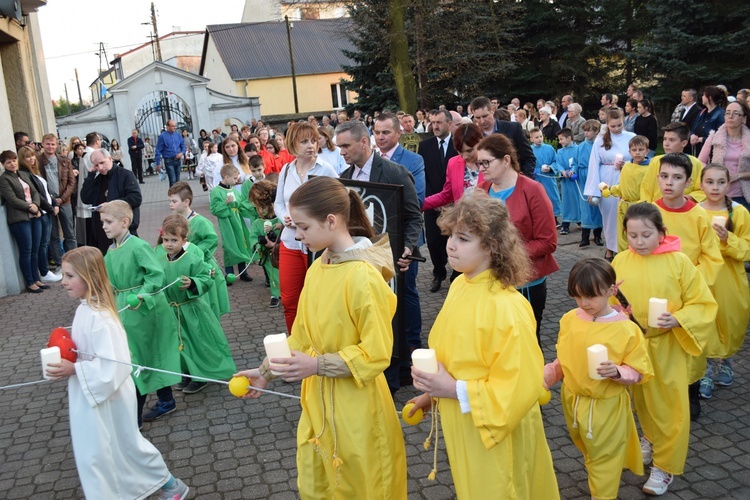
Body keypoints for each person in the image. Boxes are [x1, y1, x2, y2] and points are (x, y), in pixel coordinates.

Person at [236, 176, 407, 498]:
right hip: (318, 404)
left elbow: (376, 352)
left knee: (362, 486)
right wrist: (265, 372)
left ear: (331, 221)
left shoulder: (363, 277)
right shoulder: (319, 266)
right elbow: (301, 334)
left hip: (357, 408)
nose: (297, 235)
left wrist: (316, 366)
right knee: (318, 482)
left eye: (303, 227)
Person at [408, 192, 559, 499]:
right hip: (468, 422)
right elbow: (458, 353)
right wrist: (432, 394)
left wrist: (451, 390)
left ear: (492, 246)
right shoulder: (462, 284)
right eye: (451, 235)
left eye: (463, 238)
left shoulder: (507, 308)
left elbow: (517, 387)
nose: (451, 244)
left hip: (498, 434)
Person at [45, 247, 189, 499]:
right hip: (92, 391)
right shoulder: (84, 309)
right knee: (104, 450)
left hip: (107, 395)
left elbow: (118, 364)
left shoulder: (101, 318)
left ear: (88, 277)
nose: (63, 282)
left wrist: (75, 368)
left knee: (121, 446)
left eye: (69, 276)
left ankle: (168, 485)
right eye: (63, 276)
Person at [612, 203, 716, 496]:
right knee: (642, 401)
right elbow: (610, 300)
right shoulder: (620, 260)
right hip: (635, 346)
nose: (639, 242)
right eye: (633, 235)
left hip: (667, 345)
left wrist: (679, 319)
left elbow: (702, 303)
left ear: (662, 233)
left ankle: (666, 467)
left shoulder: (680, 262)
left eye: (646, 235)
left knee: (671, 408)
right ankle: (650, 438)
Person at [544, 257, 653, 500]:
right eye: (577, 296)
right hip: (572, 401)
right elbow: (565, 359)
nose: (583, 303)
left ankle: (602, 495)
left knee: (604, 457)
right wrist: (546, 377)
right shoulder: (570, 319)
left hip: (606, 406)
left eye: (590, 296)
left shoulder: (626, 330)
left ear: (611, 291)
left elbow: (638, 370)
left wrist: (617, 372)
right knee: (590, 450)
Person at [97, 201, 182, 422]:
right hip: (124, 307)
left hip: (143, 308)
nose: (104, 227)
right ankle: (166, 401)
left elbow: (155, 275)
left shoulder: (137, 246)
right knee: (139, 357)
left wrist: (142, 294)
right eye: (102, 222)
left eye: (108, 222)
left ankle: (135, 418)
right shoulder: (111, 249)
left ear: (125, 222)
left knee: (141, 357)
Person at [475, 134, 559, 344]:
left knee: (526, 340)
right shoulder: (482, 191)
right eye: (479, 163)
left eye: (486, 162)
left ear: (506, 160)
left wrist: (505, 254)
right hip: (491, 280)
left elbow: (548, 241)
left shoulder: (532, 190)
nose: (481, 168)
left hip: (526, 282)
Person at [158, 214, 237, 393]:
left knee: (197, 343)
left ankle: (201, 375)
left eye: (174, 240)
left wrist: (193, 283)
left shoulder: (192, 259)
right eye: (165, 240)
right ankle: (187, 373)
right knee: (180, 343)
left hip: (191, 309)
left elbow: (206, 278)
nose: (169, 244)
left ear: (184, 240)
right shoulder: (161, 260)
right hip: (173, 311)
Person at [274, 122, 338, 332]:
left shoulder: (325, 169)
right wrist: (285, 217)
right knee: (290, 300)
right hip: (291, 243)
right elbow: (279, 203)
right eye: (304, 141)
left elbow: (339, 201)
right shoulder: (285, 170)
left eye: (313, 140)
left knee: (320, 300)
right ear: (293, 144)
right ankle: (295, 344)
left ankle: (318, 343)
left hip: (318, 246)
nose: (311, 145)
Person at [372, 112, 426, 352]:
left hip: (404, 238)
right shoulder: (370, 160)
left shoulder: (413, 160)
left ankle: (412, 344)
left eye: (386, 132)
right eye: (377, 132)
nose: (381, 137)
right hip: (377, 240)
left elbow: (419, 199)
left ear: (398, 133)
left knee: (407, 291)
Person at [697, 164, 750, 400]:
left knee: (729, 319)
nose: (715, 187)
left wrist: (728, 238)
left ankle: (726, 360)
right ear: (701, 184)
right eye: (709, 182)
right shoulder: (695, 211)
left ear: (728, 185)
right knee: (706, 321)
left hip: (729, 278)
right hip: (704, 278)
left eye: (720, 182)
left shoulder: (738, 213)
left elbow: (747, 249)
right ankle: (707, 368)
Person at [168, 181, 230, 319]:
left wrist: (193, 250)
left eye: (174, 201)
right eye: (170, 201)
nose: (170, 204)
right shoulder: (175, 220)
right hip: (186, 266)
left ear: (186, 202)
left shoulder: (199, 221)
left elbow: (211, 239)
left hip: (202, 266)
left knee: (208, 305)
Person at [584, 108, 634, 261]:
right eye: (613, 126)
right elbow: (594, 164)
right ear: (607, 125)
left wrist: (626, 164)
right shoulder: (600, 139)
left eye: (619, 125)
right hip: (607, 180)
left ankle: (626, 247)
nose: (617, 129)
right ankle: (610, 248)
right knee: (610, 216)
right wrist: (594, 190)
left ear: (623, 122)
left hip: (626, 177)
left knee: (626, 215)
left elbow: (639, 156)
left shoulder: (631, 137)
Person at [418, 109, 458, 292]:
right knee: (433, 242)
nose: (435, 126)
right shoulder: (425, 146)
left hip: (455, 204)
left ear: (449, 124)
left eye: (439, 122)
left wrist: (449, 201)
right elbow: (422, 175)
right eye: (432, 122)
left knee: (456, 240)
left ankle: (456, 274)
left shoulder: (458, 145)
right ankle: (438, 272)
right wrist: (433, 200)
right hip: (432, 203)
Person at [80, 149, 142, 254]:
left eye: (102, 162)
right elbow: (86, 198)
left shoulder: (125, 175)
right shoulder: (98, 179)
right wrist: (90, 176)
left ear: (110, 158)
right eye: (96, 165)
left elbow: (136, 198)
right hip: (102, 231)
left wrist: (111, 205)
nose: (100, 167)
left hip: (122, 229)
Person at [0, 150, 46, 293]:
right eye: (9, 162)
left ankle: (36, 278)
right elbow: (12, 199)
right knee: (26, 250)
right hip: (19, 219)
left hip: (34, 215)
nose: (13, 163)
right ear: (3, 164)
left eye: (14, 160)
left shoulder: (23, 174)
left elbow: (34, 193)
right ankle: (30, 281)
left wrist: (36, 205)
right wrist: (30, 207)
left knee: (35, 249)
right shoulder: (4, 179)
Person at [18, 146, 60, 283]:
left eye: (32, 156)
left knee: (44, 243)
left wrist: (55, 204)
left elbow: (46, 192)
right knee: (42, 244)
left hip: (47, 210)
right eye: (27, 157)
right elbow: (38, 196)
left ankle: (44, 271)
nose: (31, 159)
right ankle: (44, 271)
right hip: (41, 212)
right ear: (22, 160)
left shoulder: (34, 172)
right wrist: (50, 207)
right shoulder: (24, 173)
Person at [698, 100, 750, 211]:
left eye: (735, 113)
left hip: (743, 196)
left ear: (744, 118)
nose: (730, 116)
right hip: (716, 194)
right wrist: (710, 175)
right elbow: (701, 161)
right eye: (727, 112)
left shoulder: (748, 141)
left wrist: (739, 175)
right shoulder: (714, 138)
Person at [422, 123, 483, 213]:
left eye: (469, 151)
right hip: (462, 221)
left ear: (480, 142)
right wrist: (419, 204)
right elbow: (447, 195)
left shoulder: (493, 162)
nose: (465, 156)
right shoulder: (453, 163)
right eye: (460, 152)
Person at [640, 122, 706, 204]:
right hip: (657, 210)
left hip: (682, 211)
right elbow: (646, 188)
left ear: (684, 143)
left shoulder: (695, 163)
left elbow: (702, 190)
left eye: (671, 140)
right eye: (665, 139)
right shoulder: (655, 161)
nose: (666, 144)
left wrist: (684, 198)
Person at [470, 96, 536, 177]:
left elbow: (529, 158)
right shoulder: (473, 135)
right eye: (478, 118)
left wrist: (522, 179)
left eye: (485, 116)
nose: (482, 121)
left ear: (492, 111)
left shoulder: (513, 128)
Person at [606, 135, 651, 251]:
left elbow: (649, 189)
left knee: (637, 237)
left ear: (647, 151)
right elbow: (623, 186)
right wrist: (611, 189)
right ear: (629, 152)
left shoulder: (649, 169)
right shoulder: (626, 166)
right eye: (634, 150)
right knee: (622, 236)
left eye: (641, 150)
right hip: (623, 207)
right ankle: (623, 259)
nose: (637, 153)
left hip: (639, 208)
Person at [39, 134, 77, 264]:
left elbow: (72, 182)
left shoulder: (65, 161)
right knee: (53, 235)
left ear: (56, 145)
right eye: (48, 144)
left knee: (70, 233)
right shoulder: (37, 161)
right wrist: (50, 201)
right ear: (43, 144)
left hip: (64, 202)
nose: (50, 146)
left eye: (53, 144)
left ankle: (74, 261)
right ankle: (61, 264)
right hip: (47, 204)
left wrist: (61, 199)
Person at [210, 164, 252, 281]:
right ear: (226, 177)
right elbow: (214, 209)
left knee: (241, 243)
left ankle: (243, 272)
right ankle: (229, 273)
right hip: (227, 222)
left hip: (238, 220)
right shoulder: (216, 191)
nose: (236, 180)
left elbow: (241, 204)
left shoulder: (234, 190)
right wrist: (225, 203)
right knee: (229, 245)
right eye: (234, 178)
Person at [248, 180, 282, 307]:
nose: (260, 211)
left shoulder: (279, 218)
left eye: (263, 207)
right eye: (257, 208)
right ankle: (275, 294)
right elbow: (253, 237)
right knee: (272, 273)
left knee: (284, 273)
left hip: (281, 251)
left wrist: (278, 230)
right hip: (268, 254)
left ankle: (286, 292)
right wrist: (258, 244)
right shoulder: (258, 222)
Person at [574, 120, 605, 247]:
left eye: (589, 130)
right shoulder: (580, 147)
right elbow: (575, 163)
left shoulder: (601, 145)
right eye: (585, 130)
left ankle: (597, 236)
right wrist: (573, 171)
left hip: (597, 176)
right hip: (583, 177)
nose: (586, 133)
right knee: (585, 207)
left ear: (597, 131)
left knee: (598, 206)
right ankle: (585, 237)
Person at [530, 128, 562, 223]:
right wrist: (537, 170)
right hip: (537, 178)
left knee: (552, 196)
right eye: (536, 137)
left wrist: (551, 167)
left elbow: (556, 161)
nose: (539, 139)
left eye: (541, 136)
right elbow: (528, 165)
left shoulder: (549, 148)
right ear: (531, 139)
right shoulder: (530, 150)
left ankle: (554, 217)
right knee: (539, 198)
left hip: (549, 178)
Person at [690, 86, 726, 156]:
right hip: (698, 152)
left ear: (710, 97)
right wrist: (692, 135)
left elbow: (720, 137)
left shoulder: (720, 115)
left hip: (711, 154)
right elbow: (693, 128)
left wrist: (702, 139)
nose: (702, 97)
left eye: (704, 95)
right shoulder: (702, 112)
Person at [556, 128, 579, 235]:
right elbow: (558, 163)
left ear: (569, 138)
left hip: (575, 180)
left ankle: (580, 220)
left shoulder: (577, 149)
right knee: (566, 202)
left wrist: (573, 170)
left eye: (562, 139)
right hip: (565, 181)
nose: (560, 142)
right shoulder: (560, 151)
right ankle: (565, 224)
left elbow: (578, 162)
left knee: (577, 200)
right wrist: (562, 171)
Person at [154, 120, 186, 186]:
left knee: (178, 180)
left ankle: (177, 195)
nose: (174, 127)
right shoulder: (162, 136)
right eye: (172, 126)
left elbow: (183, 146)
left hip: (177, 160)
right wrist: (158, 163)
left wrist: (181, 153)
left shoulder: (178, 135)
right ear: (167, 127)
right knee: (173, 180)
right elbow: (158, 150)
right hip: (169, 160)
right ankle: (172, 195)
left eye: (175, 126)